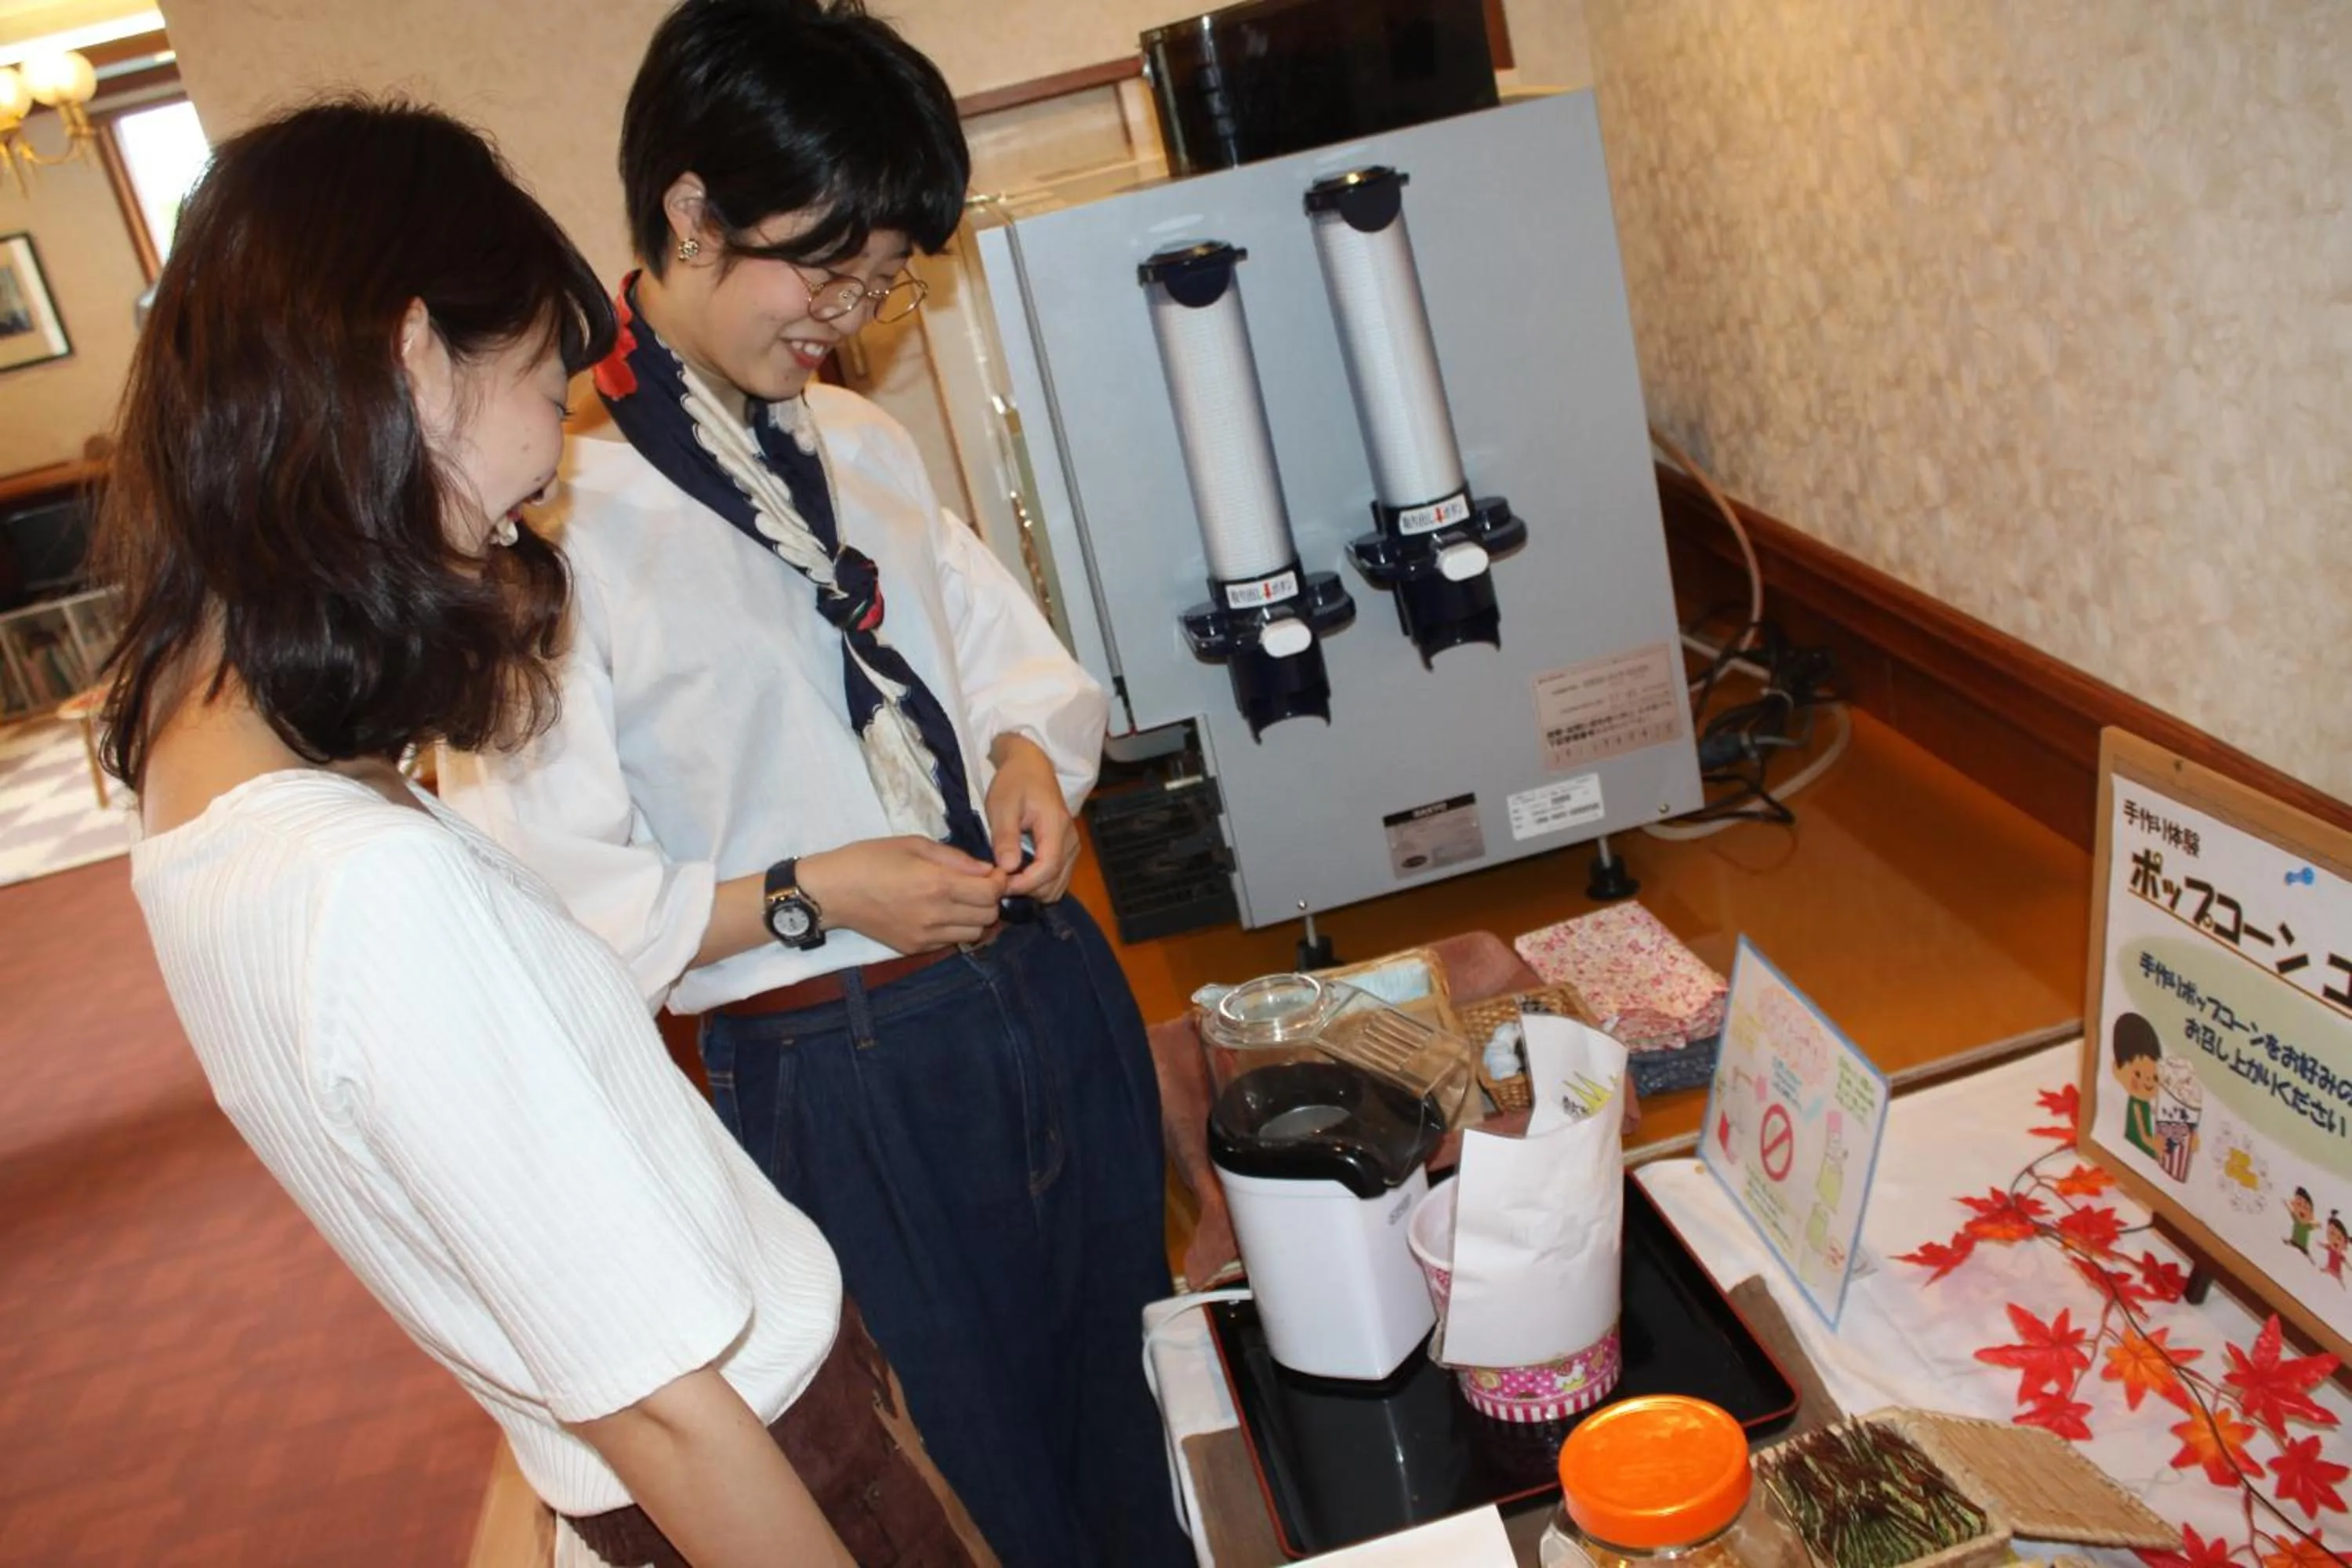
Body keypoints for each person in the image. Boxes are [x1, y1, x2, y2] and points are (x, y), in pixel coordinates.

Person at [102, 98, 989, 1568]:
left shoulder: (203, 816)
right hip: (769, 1473)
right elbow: (669, 1420)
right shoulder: (366, 885)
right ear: (413, 358)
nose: (553, 458)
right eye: (537, 378)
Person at [438, 4, 1188, 1563]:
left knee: (1136, 1419)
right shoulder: (559, 509)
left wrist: (1026, 752)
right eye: (824, 267)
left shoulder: (856, 442)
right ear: (691, 210)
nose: (851, 312)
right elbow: (555, 897)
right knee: (968, 1488)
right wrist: (809, 893)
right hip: (834, 1076)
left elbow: (1017, 663)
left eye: (884, 275)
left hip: (1045, 994)